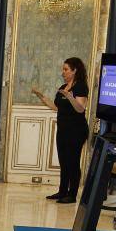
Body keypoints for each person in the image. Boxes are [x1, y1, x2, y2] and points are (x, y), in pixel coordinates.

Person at [32, 57, 89, 203]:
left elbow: (80, 108)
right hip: (63, 130)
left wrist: (70, 96)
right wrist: (41, 97)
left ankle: (72, 195)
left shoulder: (81, 87)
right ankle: (62, 191)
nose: (63, 72)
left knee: (73, 162)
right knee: (64, 162)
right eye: (63, 69)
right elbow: (57, 108)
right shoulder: (63, 86)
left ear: (74, 70)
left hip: (76, 131)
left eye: (66, 69)